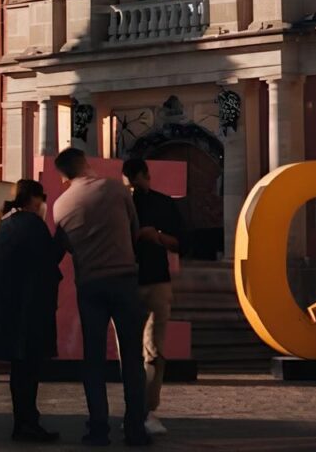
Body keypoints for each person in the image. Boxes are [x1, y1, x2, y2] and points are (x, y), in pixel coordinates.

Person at [52, 148, 150, 447]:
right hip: (123, 279)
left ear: (64, 176)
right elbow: (134, 231)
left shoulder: (60, 205)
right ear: (86, 164)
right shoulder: (114, 188)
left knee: (93, 358)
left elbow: (63, 247)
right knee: (131, 357)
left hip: (90, 284)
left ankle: (97, 428)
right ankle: (135, 428)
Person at [0, 179, 62, 444]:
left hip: (8, 310)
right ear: (34, 199)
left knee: (19, 371)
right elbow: (49, 261)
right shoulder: (32, 225)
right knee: (29, 372)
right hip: (29, 311)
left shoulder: (6, 225)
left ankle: (22, 422)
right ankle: (28, 422)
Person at [121, 157, 184, 437]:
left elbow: (181, 241)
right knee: (129, 352)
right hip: (126, 282)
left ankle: (147, 409)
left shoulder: (163, 203)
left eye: (138, 182)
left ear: (147, 176)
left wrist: (155, 236)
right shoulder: (121, 204)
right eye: (130, 185)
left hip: (157, 281)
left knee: (155, 351)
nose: (135, 189)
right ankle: (134, 411)